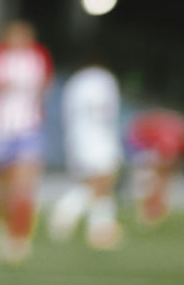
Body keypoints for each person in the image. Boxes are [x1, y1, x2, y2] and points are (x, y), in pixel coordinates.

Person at [0, 20, 54, 264]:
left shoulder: (38, 57)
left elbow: (46, 86)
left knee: (24, 185)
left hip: (28, 129)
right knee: (1, 188)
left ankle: (19, 238)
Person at [48, 51, 124, 249]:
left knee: (95, 182)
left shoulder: (74, 82)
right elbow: (107, 110)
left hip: (77, 136)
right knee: (103, 181)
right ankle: (79, 216)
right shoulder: (105, 79)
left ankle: (97, 226)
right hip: (98, 135)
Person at [127, 107, 184, 227]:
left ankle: (155, 210)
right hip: (147, 154)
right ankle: (149, 210)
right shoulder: (150, 129)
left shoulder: (175, 134)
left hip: (158, 156)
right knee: (147, 185)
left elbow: (174, 159)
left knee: (159, 184)